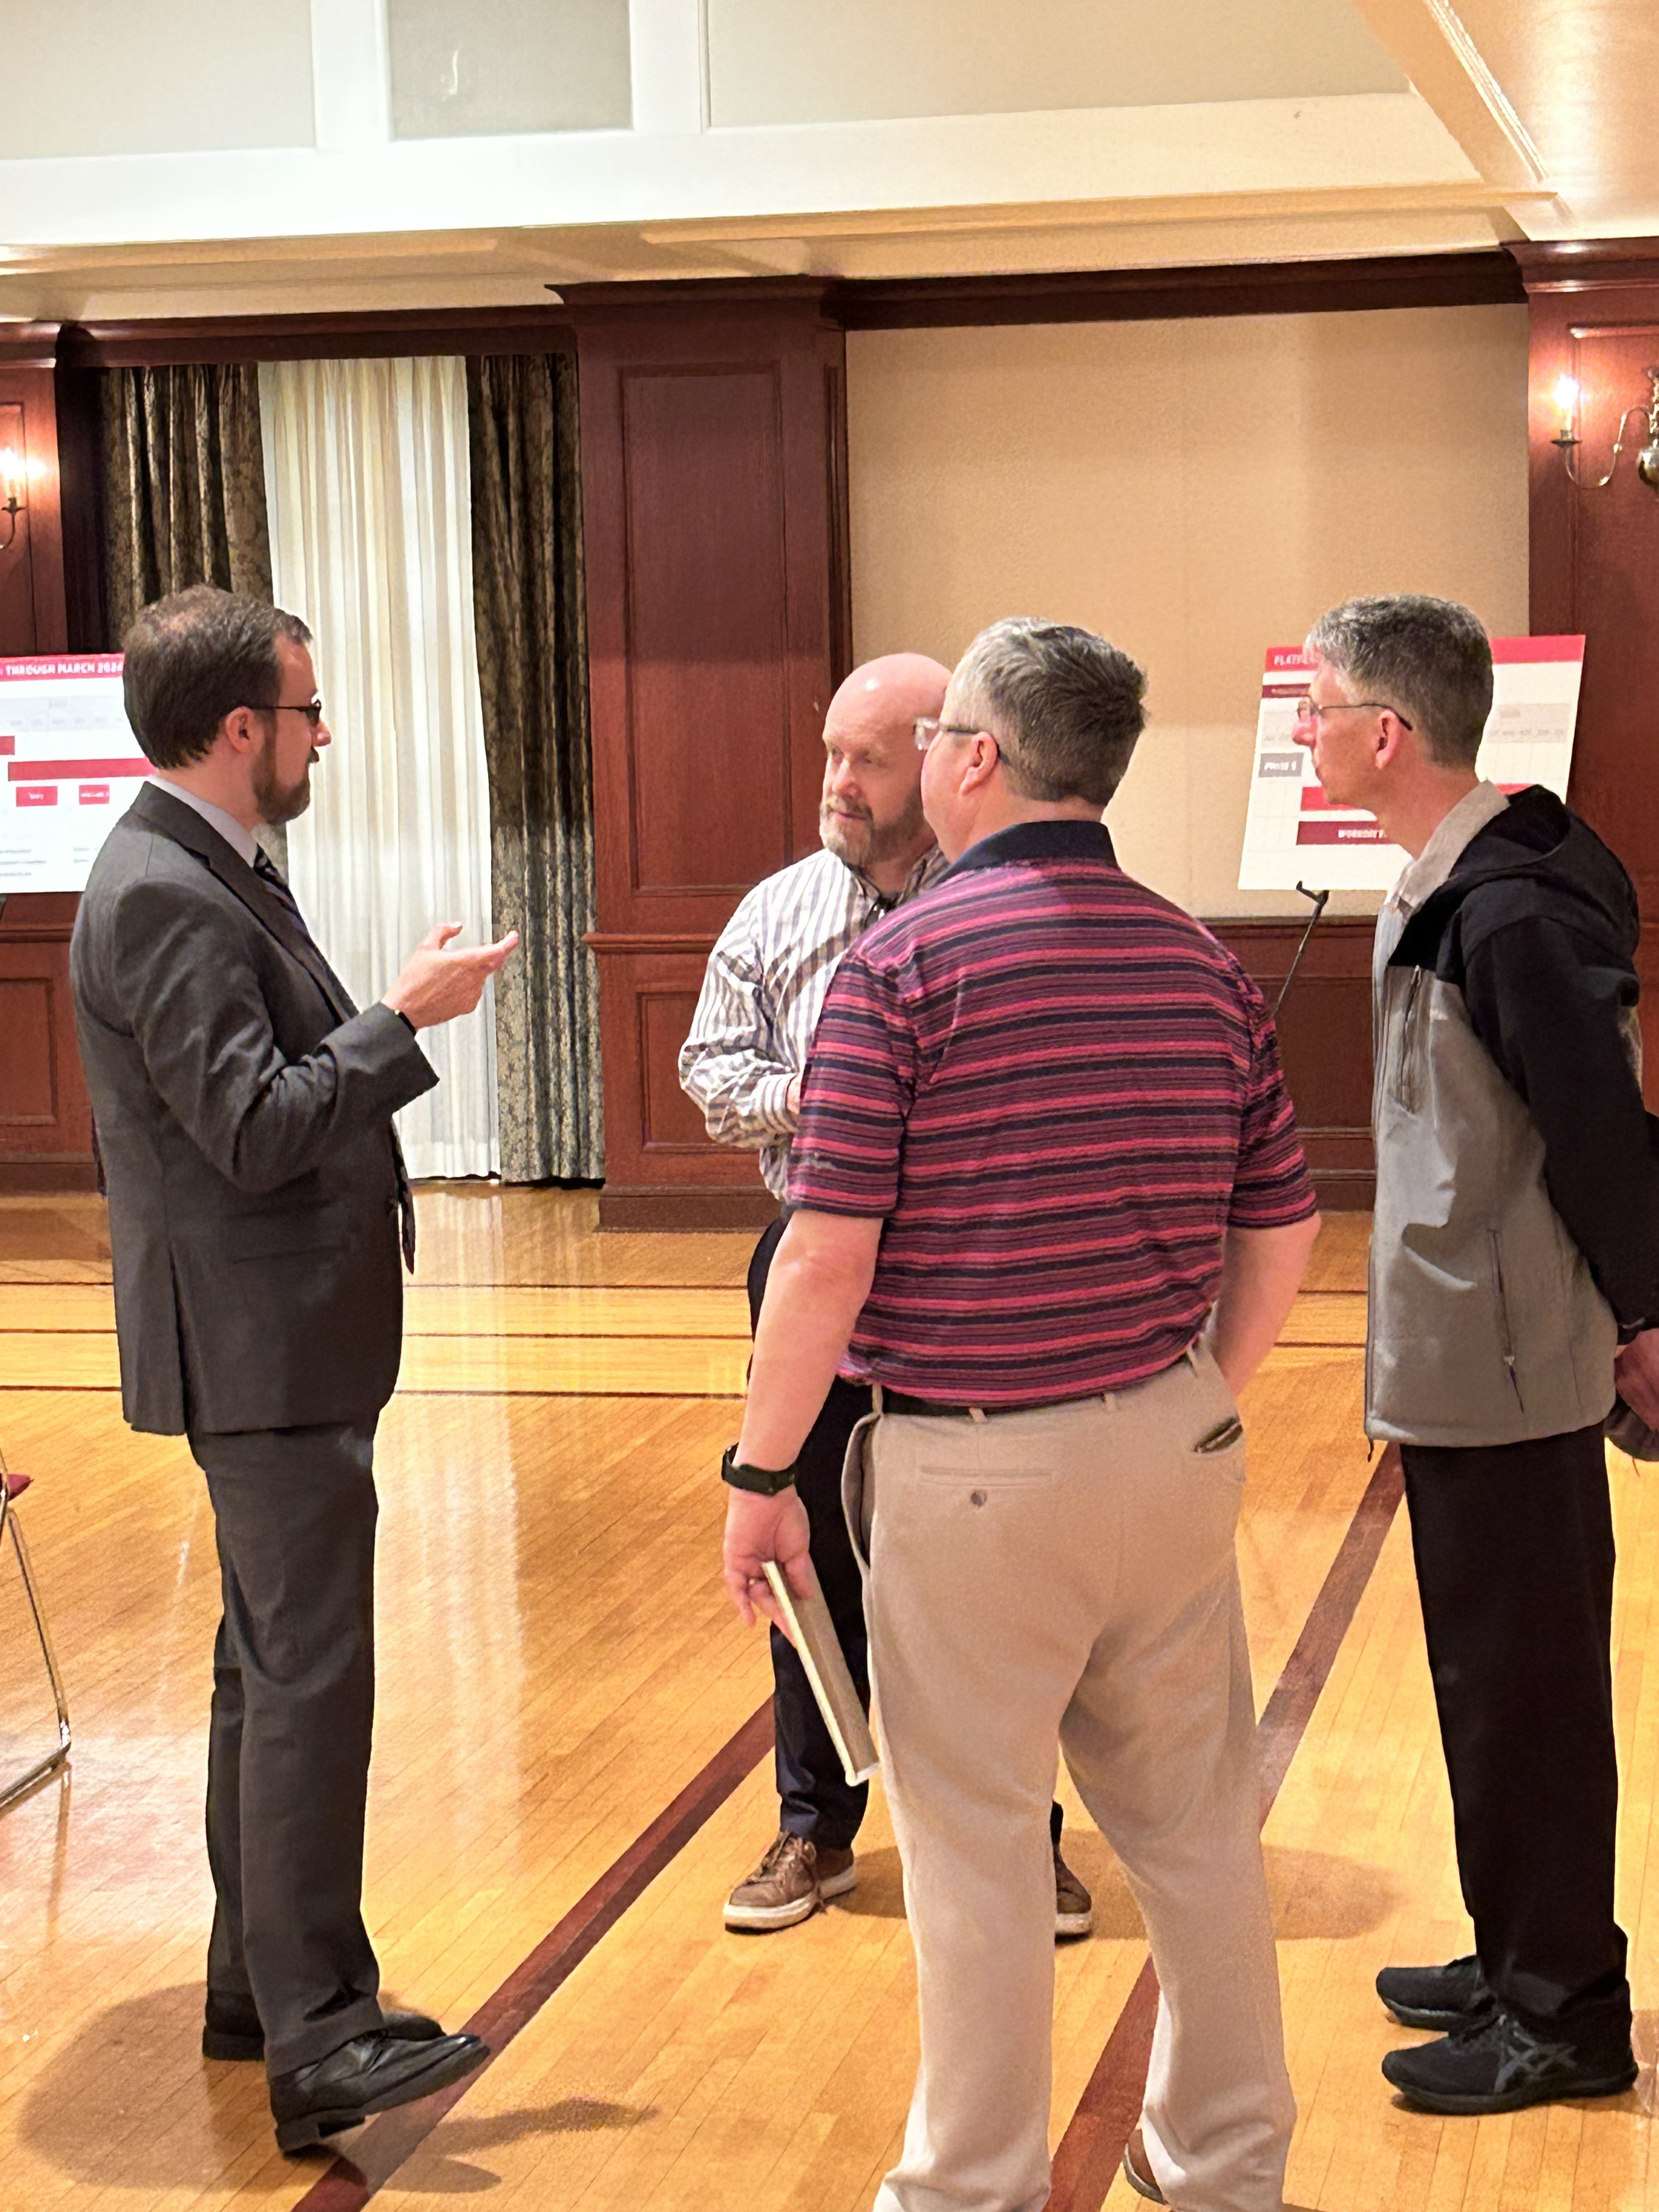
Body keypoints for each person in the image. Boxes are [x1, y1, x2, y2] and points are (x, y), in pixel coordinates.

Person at [720, 617, 1320, 2212]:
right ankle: (1225, 2169)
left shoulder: (901, 969)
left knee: (977, 1855)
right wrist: (1201, 1397)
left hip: (975, 1467)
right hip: (1170, 1440)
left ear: (976, 759)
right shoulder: (1200, 956)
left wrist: (762, 1471)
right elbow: (1288, 1225)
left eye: (929, 741)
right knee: (1195, 1836)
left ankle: (969, 2190)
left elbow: (826, 1257)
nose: (914, 766)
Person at [70, 586, 517, 2153]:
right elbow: (254, 1127)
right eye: (310, 711)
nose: (326, 735)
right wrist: (406, 1016)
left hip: (278, 1340)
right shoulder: (165, 892)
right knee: (307, 1680)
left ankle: (256, 1990)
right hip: (258, 1349)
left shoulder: (208, 867)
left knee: (268, 1674)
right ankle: (320, 2037)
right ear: (243, 727)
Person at [1294, 593, 1659, 2116]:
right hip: (1466, 1361)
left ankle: (1562, 2013)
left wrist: (1645, 1324)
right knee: (1492, 1683)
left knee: (1528, 1695)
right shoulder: (1454, 886)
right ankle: (1522, 1947)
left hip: (1508, 1371)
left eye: (1315, 708)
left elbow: (1602, 1134)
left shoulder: (1504, 910)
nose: (1303, 732)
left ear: (1387, 733)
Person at [681, 653, 1093, 1940]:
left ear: (936, 756)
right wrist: (832, 1098)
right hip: (810, 1259)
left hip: (971, 1275)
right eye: (827, 755)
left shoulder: (1014, 911)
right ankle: (817, 1827)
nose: (834, 786)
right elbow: (709, 1069)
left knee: (981, 1565)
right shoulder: (776, 912)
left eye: (862, 760)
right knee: (805, 1549)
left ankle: (1024, 1836)